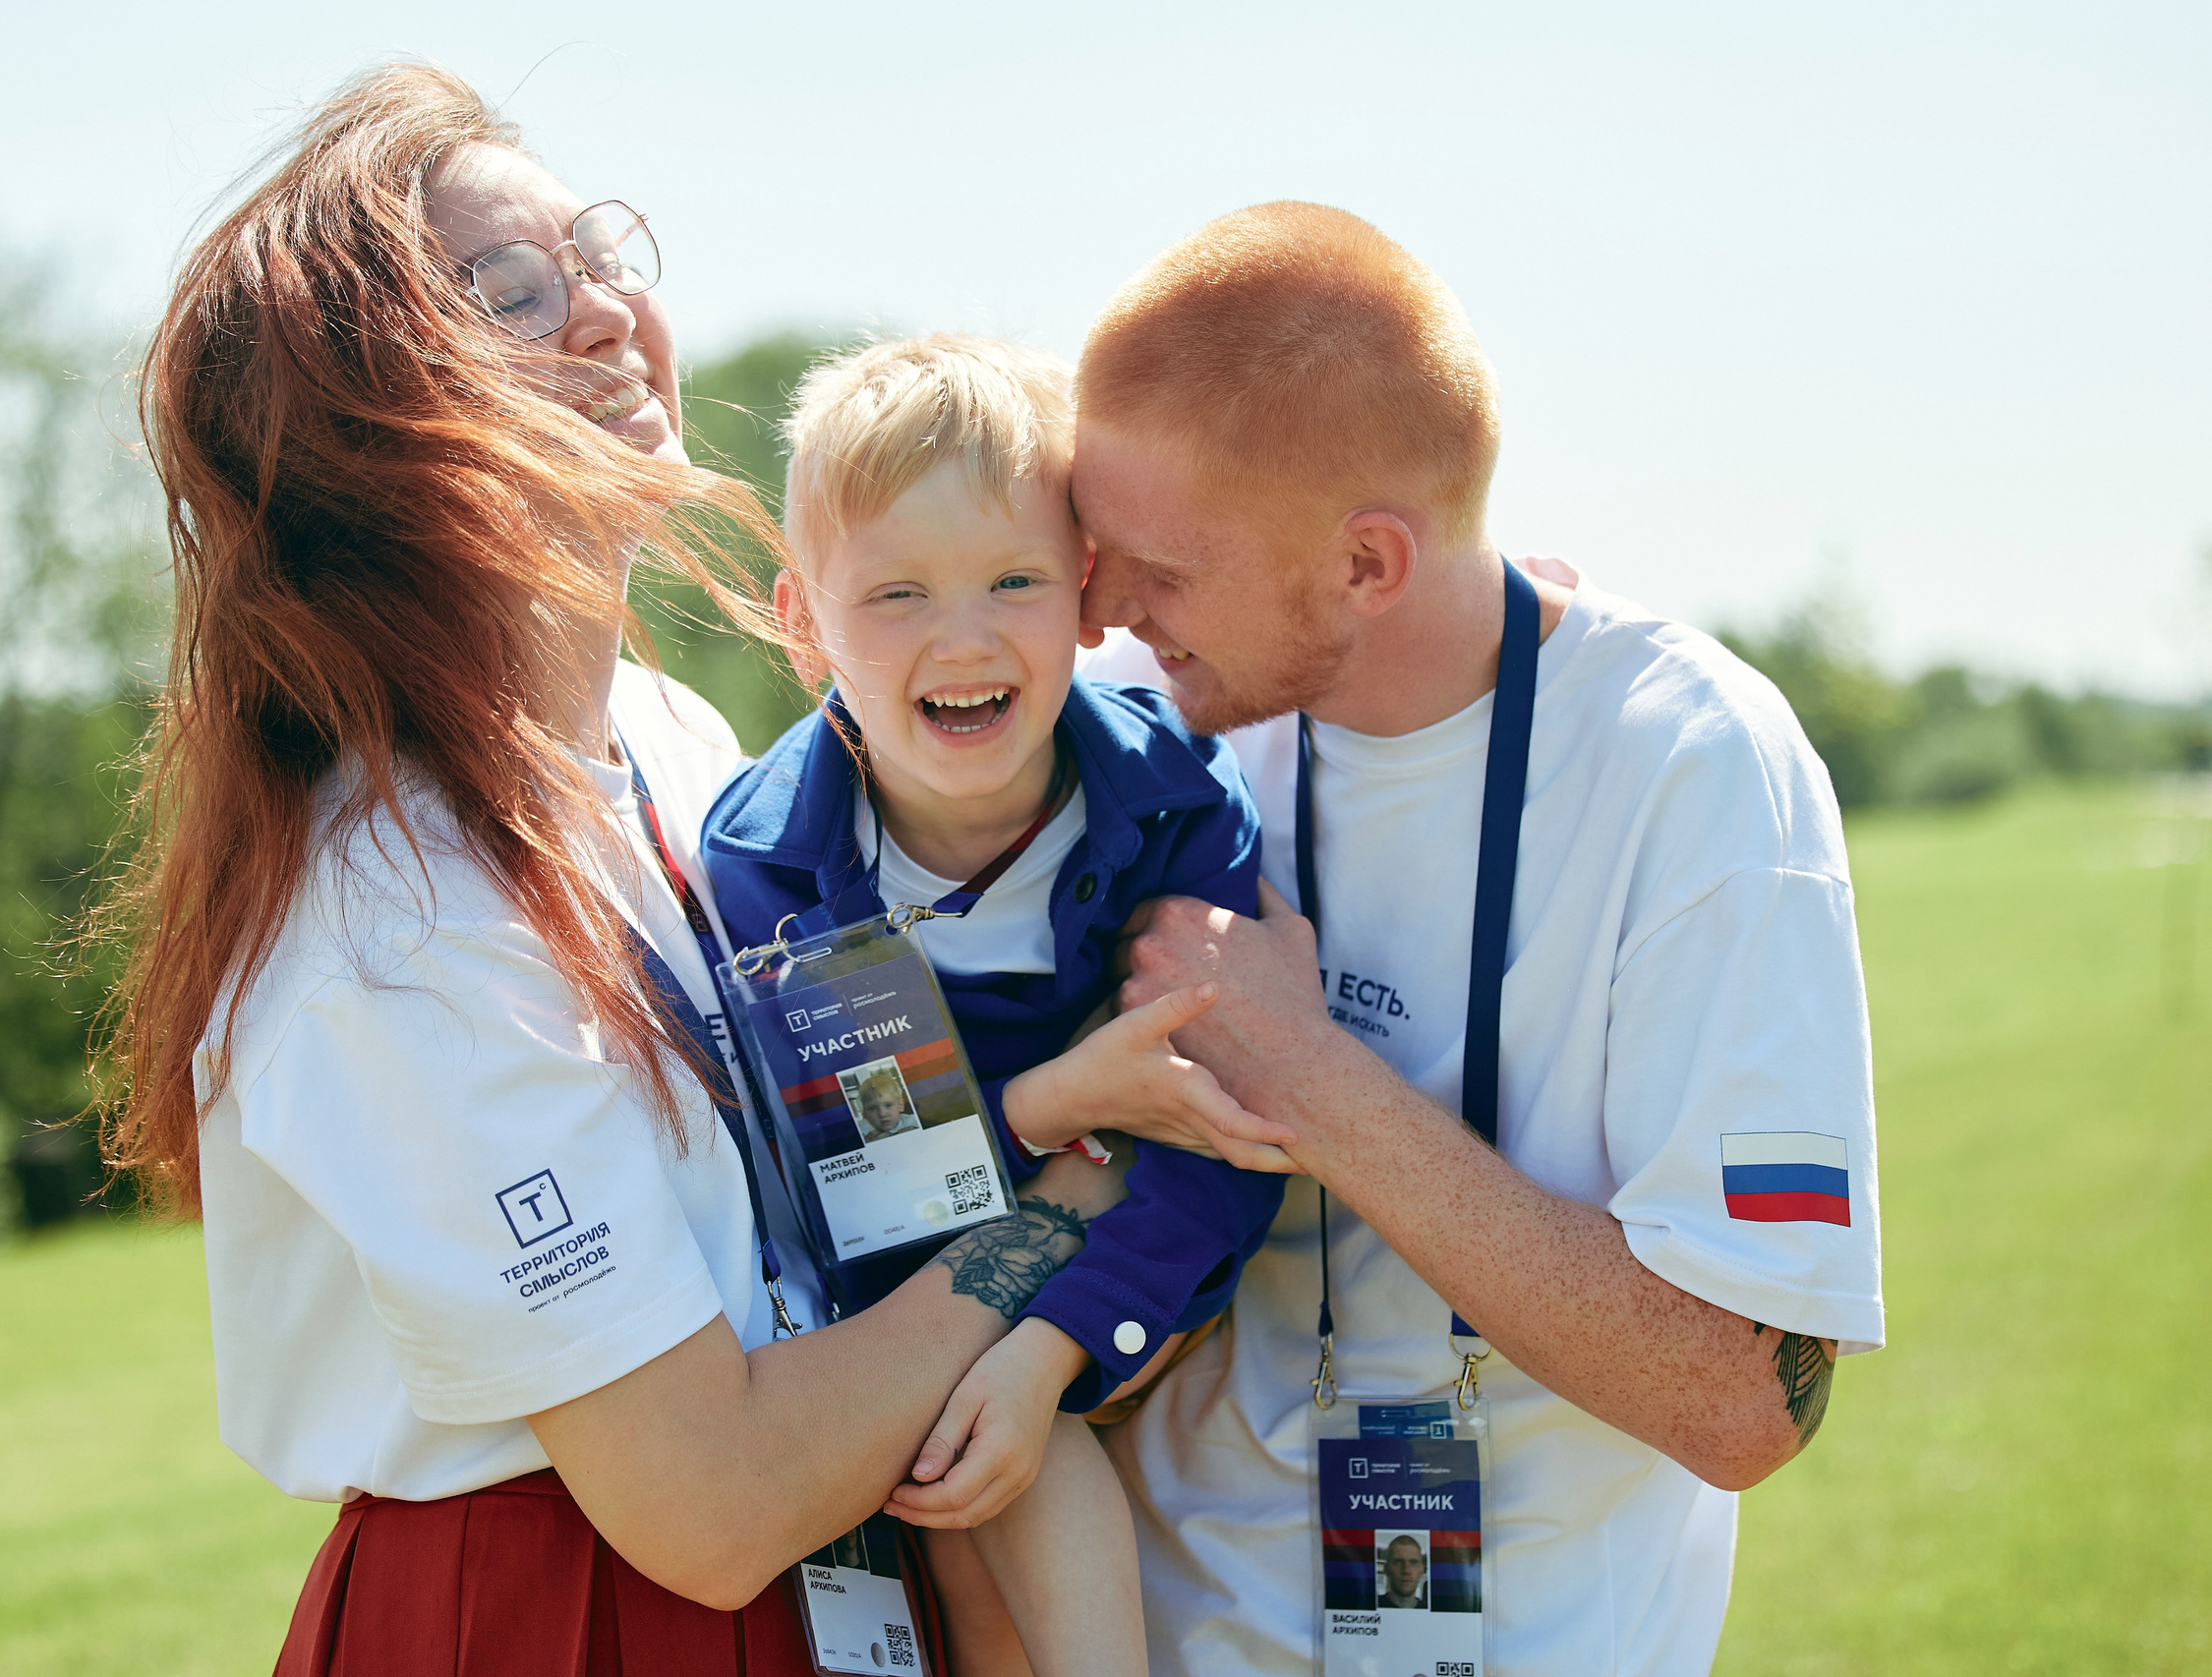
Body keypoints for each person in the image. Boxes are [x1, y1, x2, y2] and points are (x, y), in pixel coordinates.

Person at [97, 66, 1122, 1675]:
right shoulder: (396, 912)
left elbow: (895, 1169)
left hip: (838, 1538)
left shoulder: (681, 735)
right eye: (510, 288)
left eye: (597, 252)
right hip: (570, 1612)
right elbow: (706, 1497)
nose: (602, 312)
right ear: (368, 427)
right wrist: (1078, 1206)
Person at [1075, 203, 1886, 1674]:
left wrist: (1308, 1078)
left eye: (1159, 570)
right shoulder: (1147, 724)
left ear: (1368, 563)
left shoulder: (1695, 767)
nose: (1103, 609)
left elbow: (1747, 1399)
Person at [701, 334, 1299, 1676]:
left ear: (1086, 591)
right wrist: (1059, 1103)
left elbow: (1232, 1134)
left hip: (1137, 1288)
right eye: (896, 593)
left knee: (1004, 1430)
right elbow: (869, 1207)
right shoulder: (773, 863)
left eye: (1013, 579)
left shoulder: (1176, 810)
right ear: (805, 625)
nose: (962, 637)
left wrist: (1056, 1348)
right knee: (970, 1473)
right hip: (905, 1316)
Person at [1376, 1535, 1428, 1611]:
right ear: (1386, 1569)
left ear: (1422, 1570)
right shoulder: (1370, 1605)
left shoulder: (1430, 1611)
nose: (1406, 1570)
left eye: (1413, 1562)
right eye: (1398, 1562)